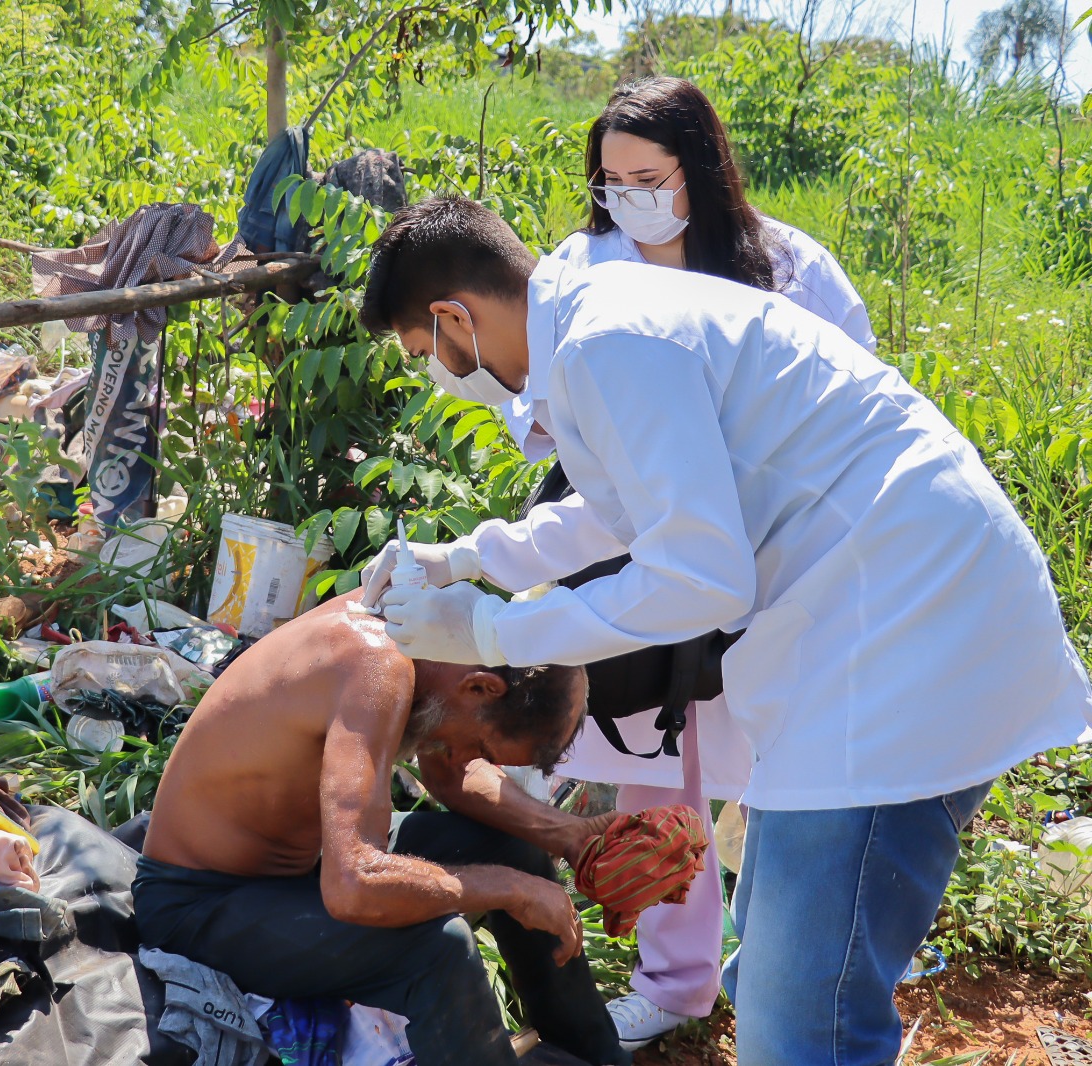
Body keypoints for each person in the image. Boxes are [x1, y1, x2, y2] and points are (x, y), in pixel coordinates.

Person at [358, 194, 1092, 1066]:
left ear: (453, 318)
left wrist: (493, 631)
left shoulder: (608, 341)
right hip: (876, 619)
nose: (437, 373)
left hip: (905, 633)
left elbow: (697, 577)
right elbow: (624, 512)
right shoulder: (601, 329)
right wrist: (468, 558)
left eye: (423, 355)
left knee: (800, 1020)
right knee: (786, 962)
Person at [494, 75, 878, 1050]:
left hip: (775, 554)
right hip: (645, 553)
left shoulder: (789, 266)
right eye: (610, 177)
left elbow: (856, 390)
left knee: (793, 769)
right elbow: (533, 397)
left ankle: (783, 965)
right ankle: (674, 982)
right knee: (657, 762)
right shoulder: (583, 264)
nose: (628, 195)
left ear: (698, 173)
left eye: (648, 175)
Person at [135, 592, 635, 1066]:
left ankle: (596, 1056)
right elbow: (354, 887)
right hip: (199, 906)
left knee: (516, 853)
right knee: (440, 950)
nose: (466, 760)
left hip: (307, 868)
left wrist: (569, 835)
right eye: (481, 746)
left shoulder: (436, 634)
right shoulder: (376, 664)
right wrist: (511, 890)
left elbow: (449, 773)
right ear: (482, 686)